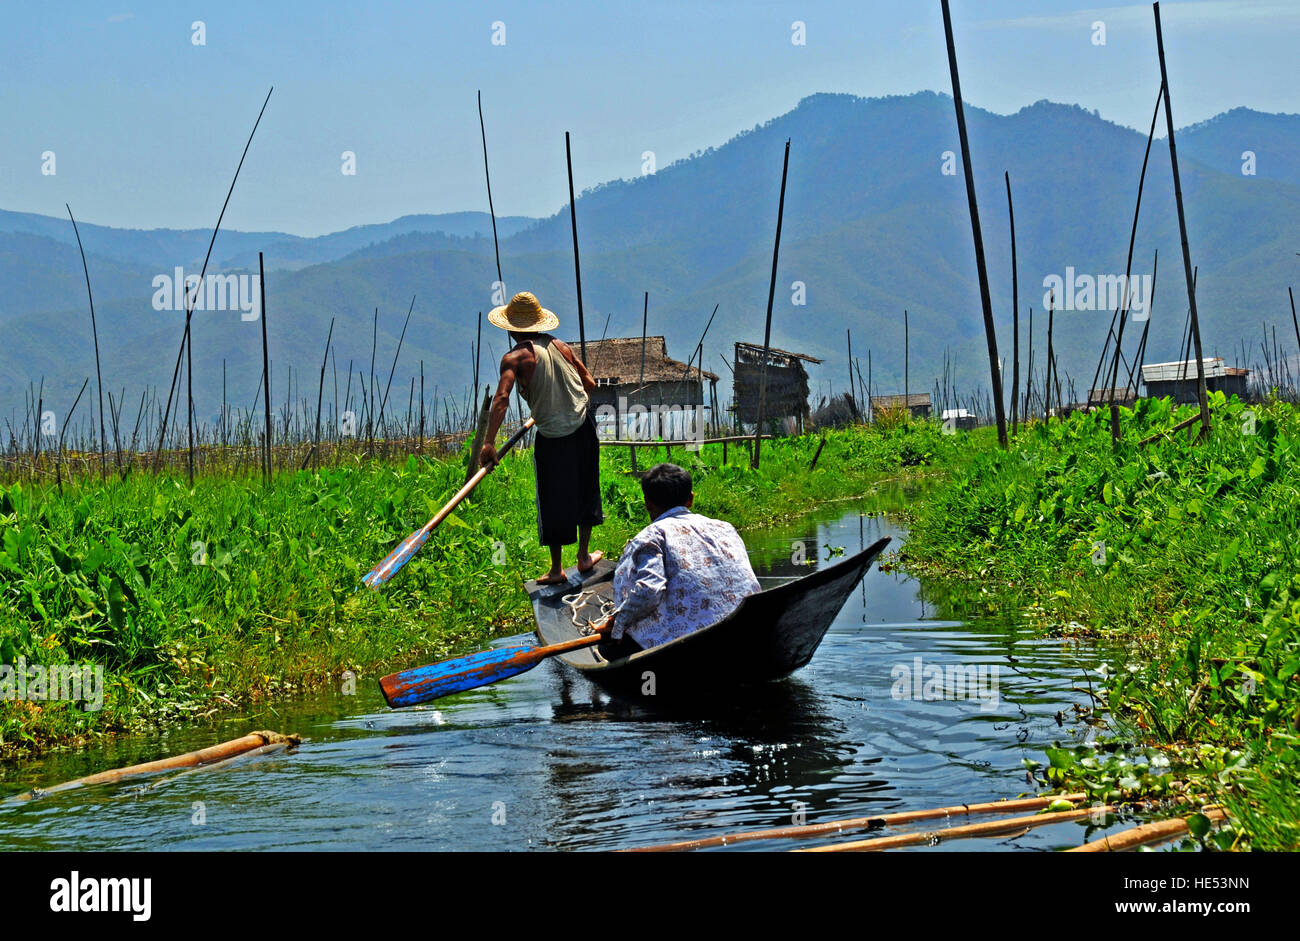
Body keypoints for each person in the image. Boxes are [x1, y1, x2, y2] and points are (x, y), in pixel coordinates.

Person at [479, 291, 604, 585]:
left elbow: (501, 399)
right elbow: (589, 384)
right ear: (538, 324)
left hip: (552, 436)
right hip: (582, 425)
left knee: (553, 497)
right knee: (586, 488)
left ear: (511, 329)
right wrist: (566, 403)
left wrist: (488, 443)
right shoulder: (561, 346)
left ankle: (557, 568)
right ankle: (584, 557)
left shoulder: (514, 358)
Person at [596, 463, 760, 651]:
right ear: (690, 499)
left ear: (647, 502)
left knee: (607, 649)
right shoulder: (725, 527)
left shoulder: (651, 537)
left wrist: (618, 622)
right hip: (748, 626)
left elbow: (649, 590)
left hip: (692, 644)